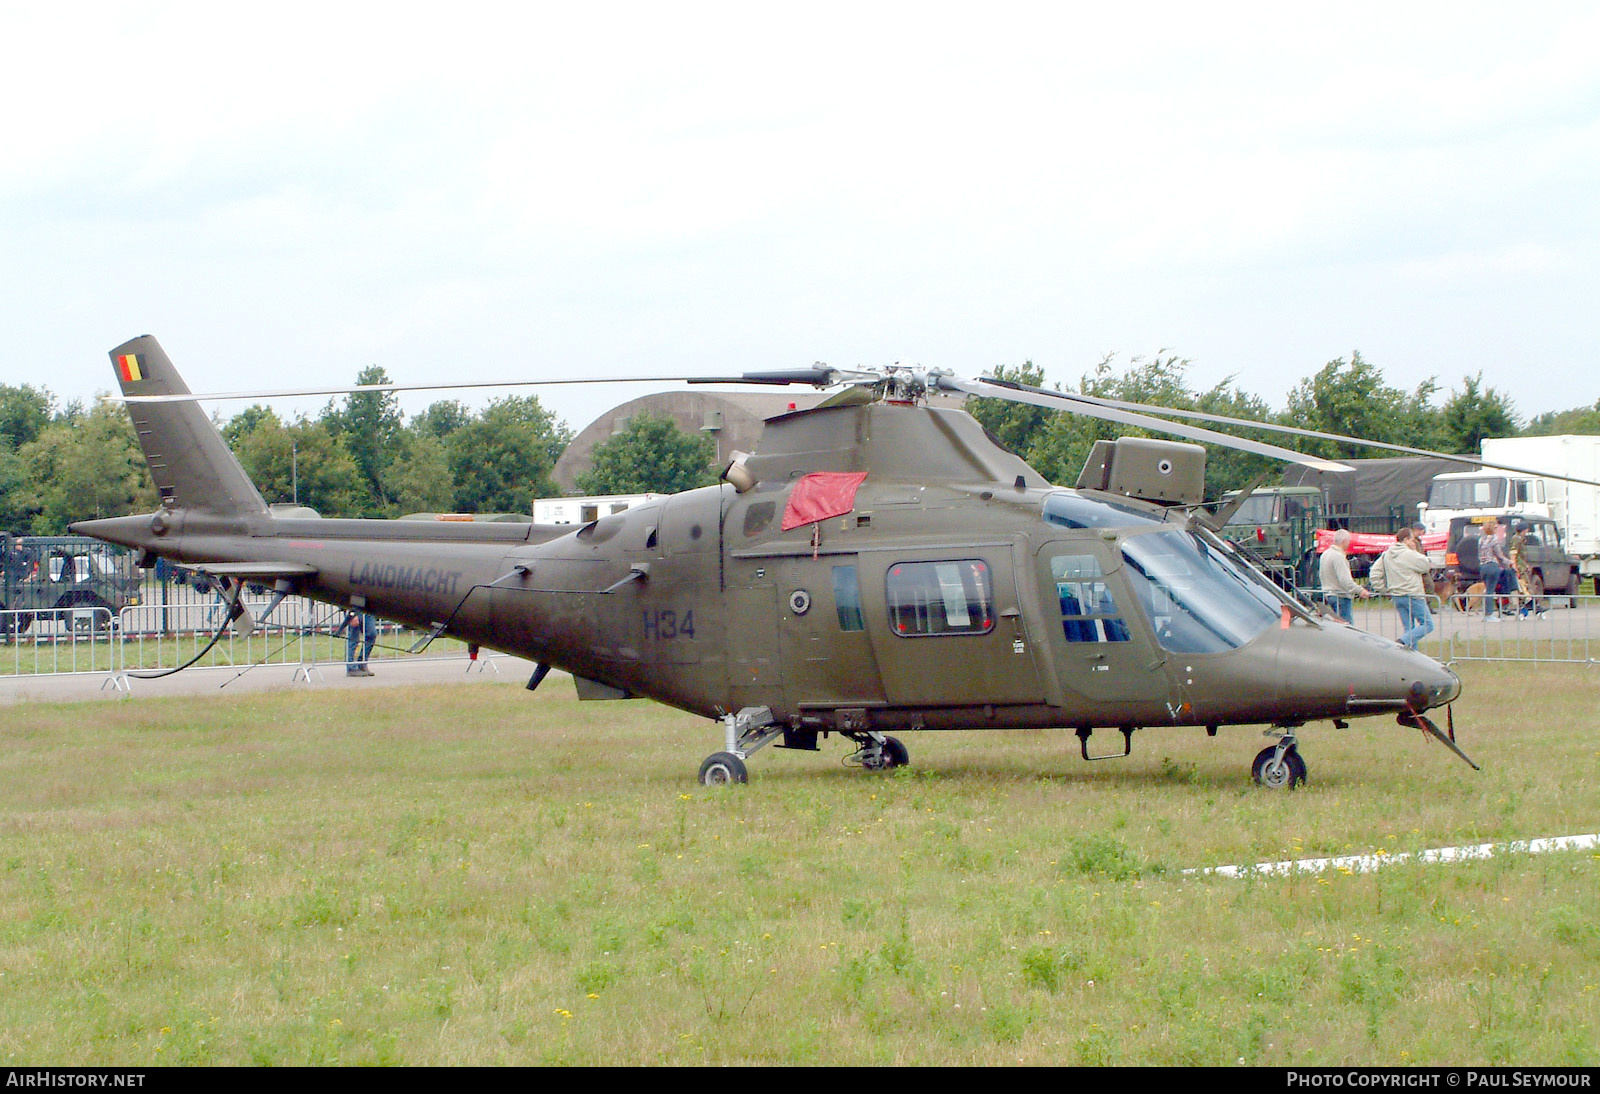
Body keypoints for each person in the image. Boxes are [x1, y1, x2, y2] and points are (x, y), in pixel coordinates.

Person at [1381, 527, 1434, 650]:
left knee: (1409, 629)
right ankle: (1402, 641)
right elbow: (1425, 565)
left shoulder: (1388, 553)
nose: (1413, 542)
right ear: (1406, 540)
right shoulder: (1409, 554)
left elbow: (1377, 572)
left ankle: (1411, 655)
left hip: (1397, 595)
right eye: (1412, 539)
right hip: (1412, 594)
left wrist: (1383, 588)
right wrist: (1415, 551)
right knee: (1428, 624)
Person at [1318, 529, 1371, 623]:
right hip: (1340, 595)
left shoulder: (1325, 554)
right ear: (1344, 541)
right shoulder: (1338, 557)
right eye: (1348, 541)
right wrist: (1360, 590)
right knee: (1347, 626)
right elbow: (1345, 580)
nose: (1349, 543)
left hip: (1329, 594)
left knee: (1337, 626)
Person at [1477, 518, 1514, 620]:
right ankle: (1489, 614)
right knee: (1491, 591)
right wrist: (1510, 563)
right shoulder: (1494, 539)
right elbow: (1499, 556)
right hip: (1492, 566)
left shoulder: (1481, 540)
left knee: (1487, 590)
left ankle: (1486, 614)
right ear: (1494, 528)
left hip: (1482, 567)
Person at [343, 608, 377, 676]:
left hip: (367, 609)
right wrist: (352, 613)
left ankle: (362, 663)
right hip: (353, 608)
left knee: (371, 634)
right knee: (353, 638)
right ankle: (351, 668)